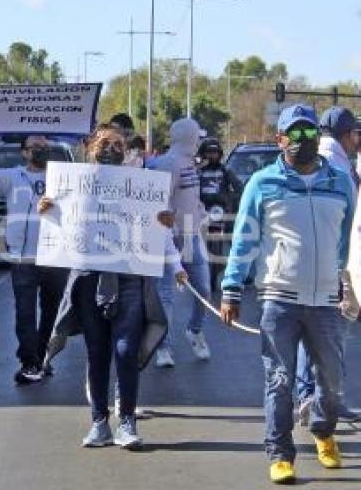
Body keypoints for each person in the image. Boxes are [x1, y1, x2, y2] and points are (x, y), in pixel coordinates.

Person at [220, 104, 355, 484]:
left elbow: (346, 244)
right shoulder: (262, 183)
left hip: (327, 300)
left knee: (332, 379)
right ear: (280, 140)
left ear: (319, 136)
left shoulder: (341, 182)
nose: (302, 141)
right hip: (279, 298)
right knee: (279, 378)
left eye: (309, 133)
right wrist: (231, 289)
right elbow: (244, 240)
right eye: (294, 135)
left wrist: (348, 284)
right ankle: (280, 454)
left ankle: (324, 431)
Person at [40, 125, 182, 449]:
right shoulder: (71, 184)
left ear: (126, 151)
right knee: (97, 351)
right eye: (104, 144)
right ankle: (99, 422)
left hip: (129, 277)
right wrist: (45, 211)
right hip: (89, 278)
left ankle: (127, 422)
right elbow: (58, 227)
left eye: (117, 145)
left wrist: (173, 256)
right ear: (90, 147)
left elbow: (156, 229)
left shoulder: (139, 186)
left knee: (126, 350)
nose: (110, 150)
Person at [0, 134, 69, 384]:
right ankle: (29, 362)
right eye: (34, 147)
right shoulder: (13, 177)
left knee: (52, 313)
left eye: (44, 147)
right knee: (25, 312)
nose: (40, 150)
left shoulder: (63, 179)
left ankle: (40, 357)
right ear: (24, 153)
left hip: (55, 256)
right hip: (22, 258)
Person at [294, 106, 361, 426]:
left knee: (325, 332)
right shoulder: (335, 162)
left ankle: (324, 398)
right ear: (346, 135)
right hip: (328, 260)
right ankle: (313, 398)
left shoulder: (327, 157)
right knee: (322, 331)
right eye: (356, 134)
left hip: (315, 258)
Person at [150, 118, 212, 366]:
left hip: (192, 236)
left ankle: (194, 330)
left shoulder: (188, 162)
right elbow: (158, 200)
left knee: (204, 289)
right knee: (165, 295)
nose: (200, 141)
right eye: (197, 136)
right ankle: (162, 347)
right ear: (189, 137)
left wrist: (201, 213)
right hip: (169, 238)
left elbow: (190, 196)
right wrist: (168, 228)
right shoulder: (168, 163)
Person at [197, 138, 240, 293]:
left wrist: (230, 200)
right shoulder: (197, 171)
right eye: (209, 152)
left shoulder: (225, 171)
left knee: (220, 245)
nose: (212, 155)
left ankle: (217, 270)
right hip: (199, 211)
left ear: (220, 154)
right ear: (203, 153)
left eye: (215, 152)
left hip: (218, 212)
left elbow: (238, 187)